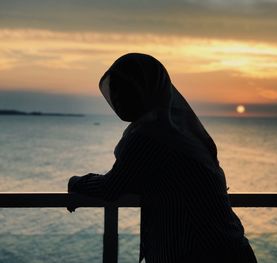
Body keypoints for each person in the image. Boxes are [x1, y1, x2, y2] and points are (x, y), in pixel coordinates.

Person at [67, 53, 257, 263]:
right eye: (116, 89)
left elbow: (111, 187)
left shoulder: (148, 135)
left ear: (143, 90)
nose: (118, 97)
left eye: (126, 89)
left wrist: (76, 183)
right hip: (231, 248)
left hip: (198, 254)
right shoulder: (183, 130)